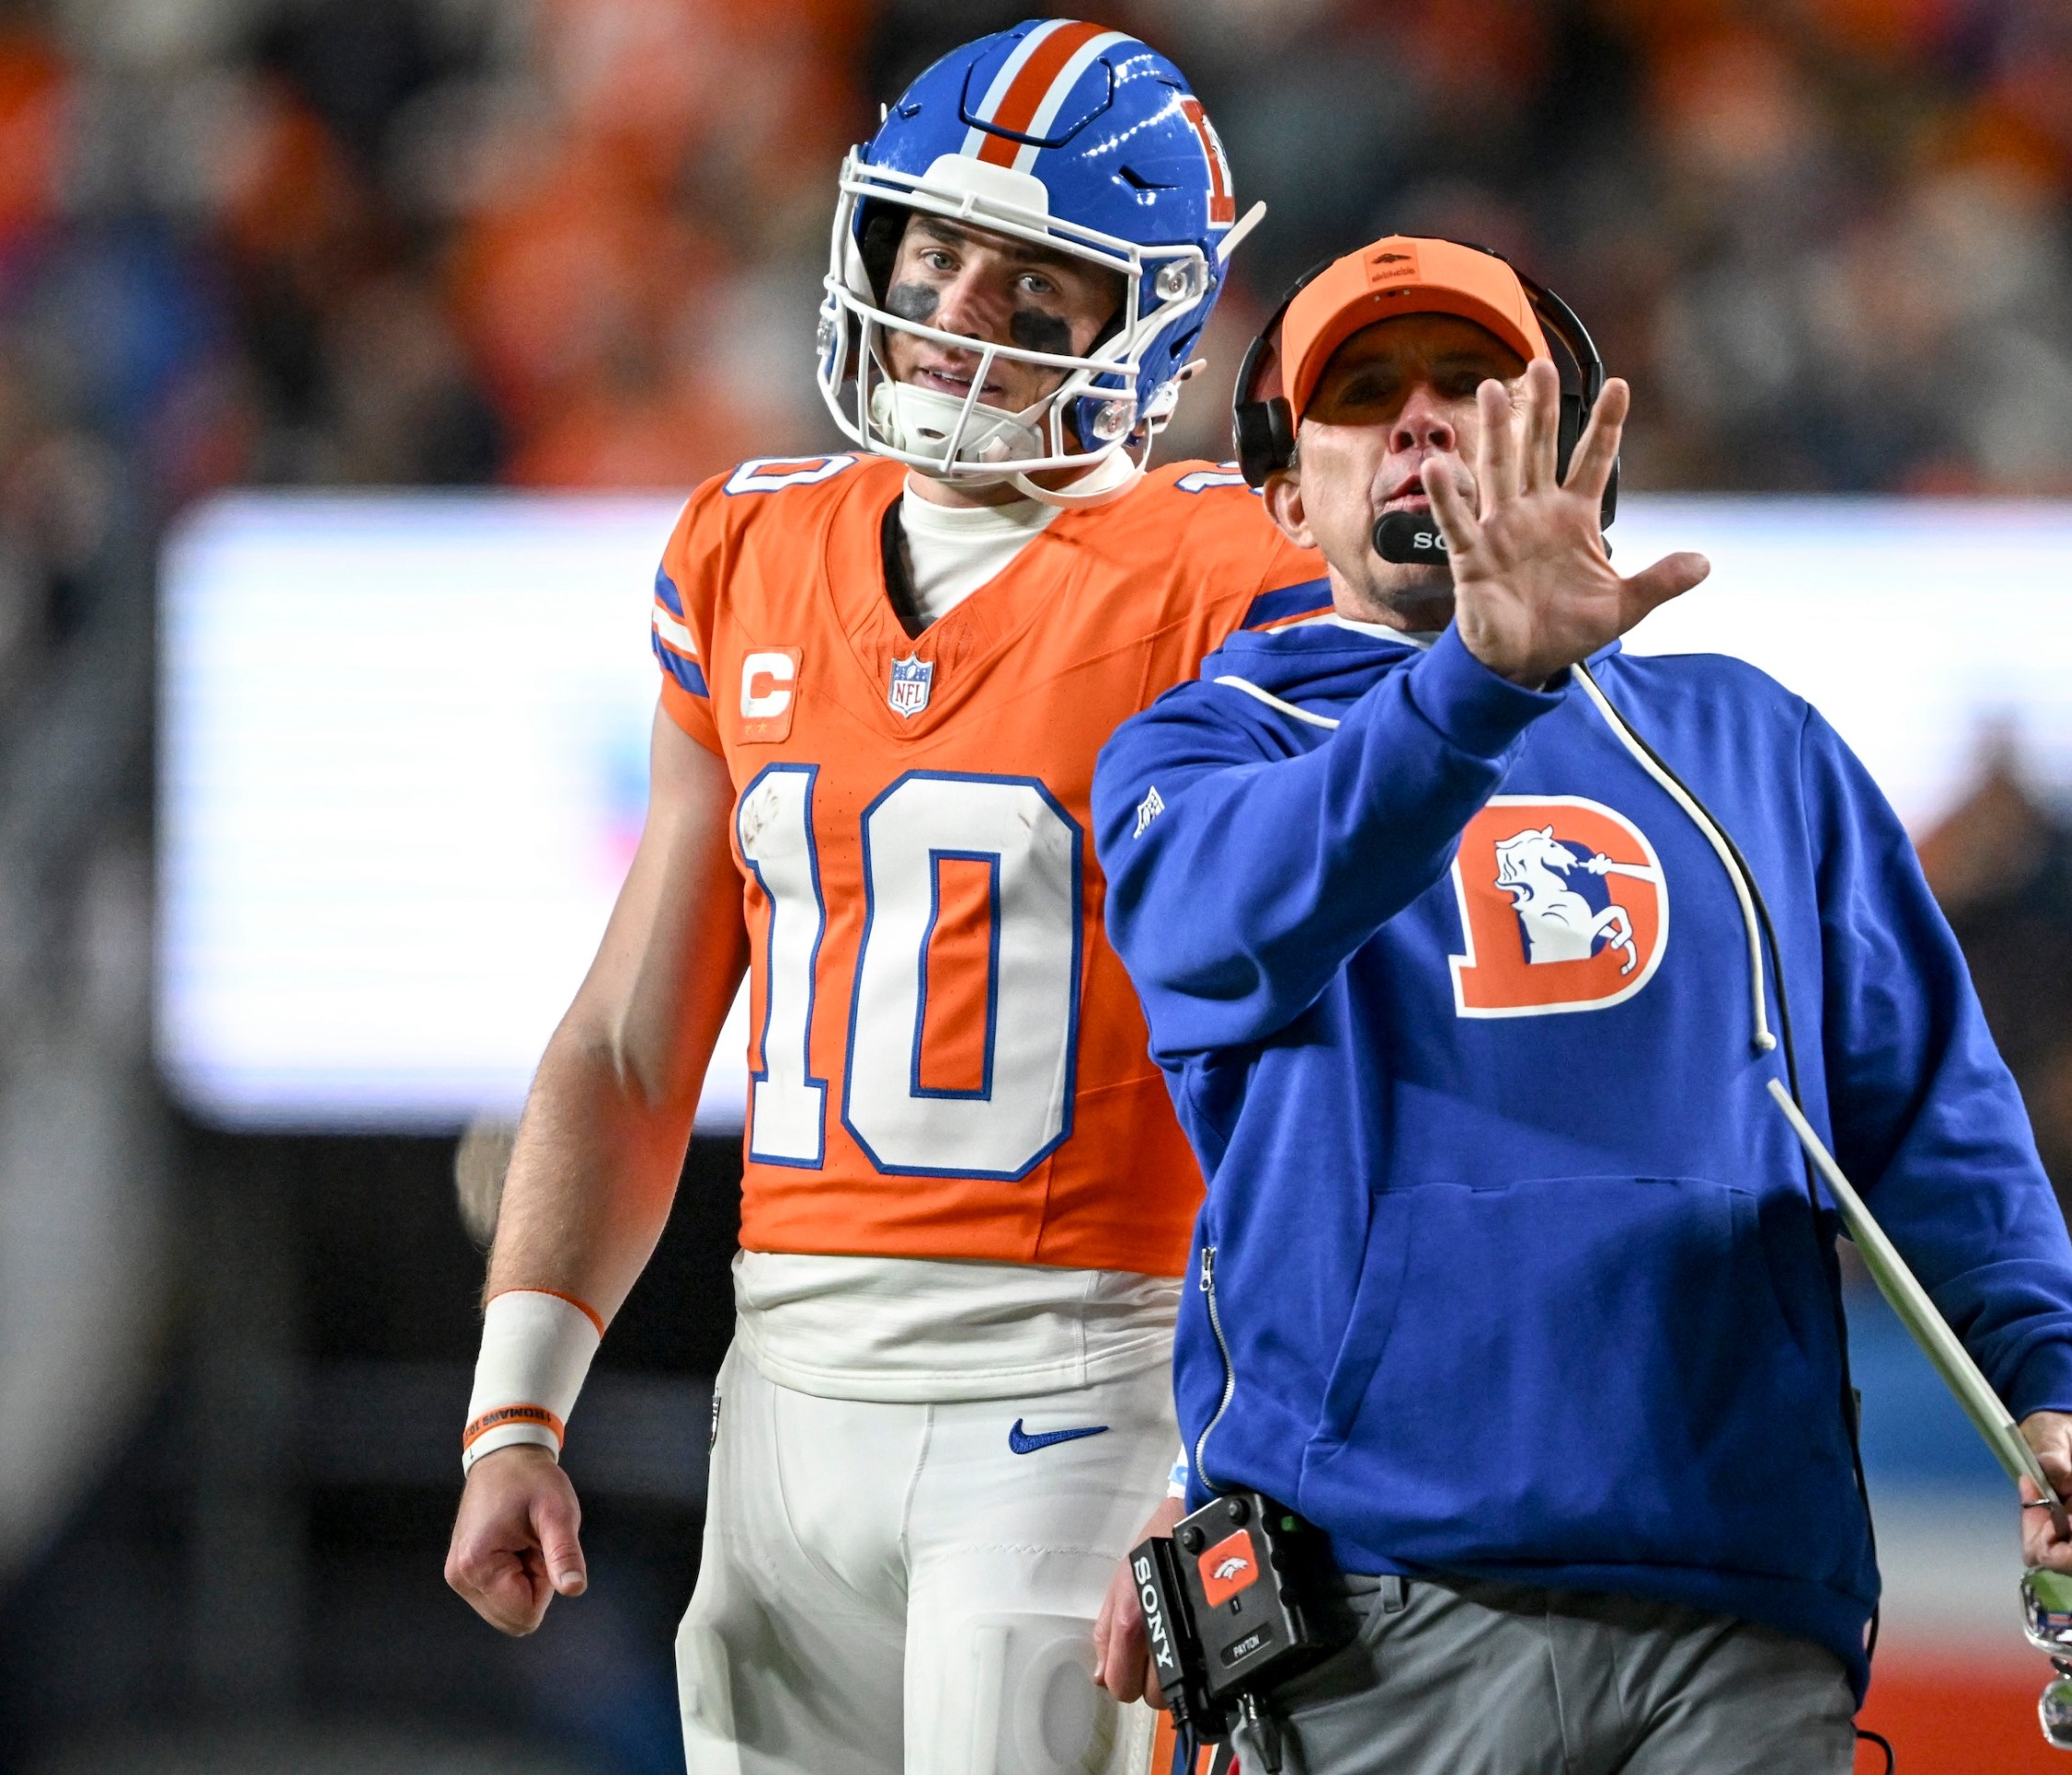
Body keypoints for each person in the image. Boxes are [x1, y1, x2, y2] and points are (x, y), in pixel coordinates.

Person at [1086, 237, 2072, 1771]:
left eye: (1472, 386)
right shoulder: (1205, 749)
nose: (1424, 420)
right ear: (1283, 498)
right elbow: (1214, 934)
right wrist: (1477, 689)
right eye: (1366, 392)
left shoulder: (1754, 743)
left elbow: (1926, 1108)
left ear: (1579, 448)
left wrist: (2047, 1372)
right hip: (1378, 1594)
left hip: (1740, 1587)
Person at [440, 24, 1326, 1775]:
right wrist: (514, 1407)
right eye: (937, 251)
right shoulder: (745, 548)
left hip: (1079, 1381)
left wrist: (1239, 1434)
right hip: (780, 1390)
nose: (962, 309)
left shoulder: (1240, 576)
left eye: (1036, 279)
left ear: (1147, 317)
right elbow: (633, 1037)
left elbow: (1323, 1064)